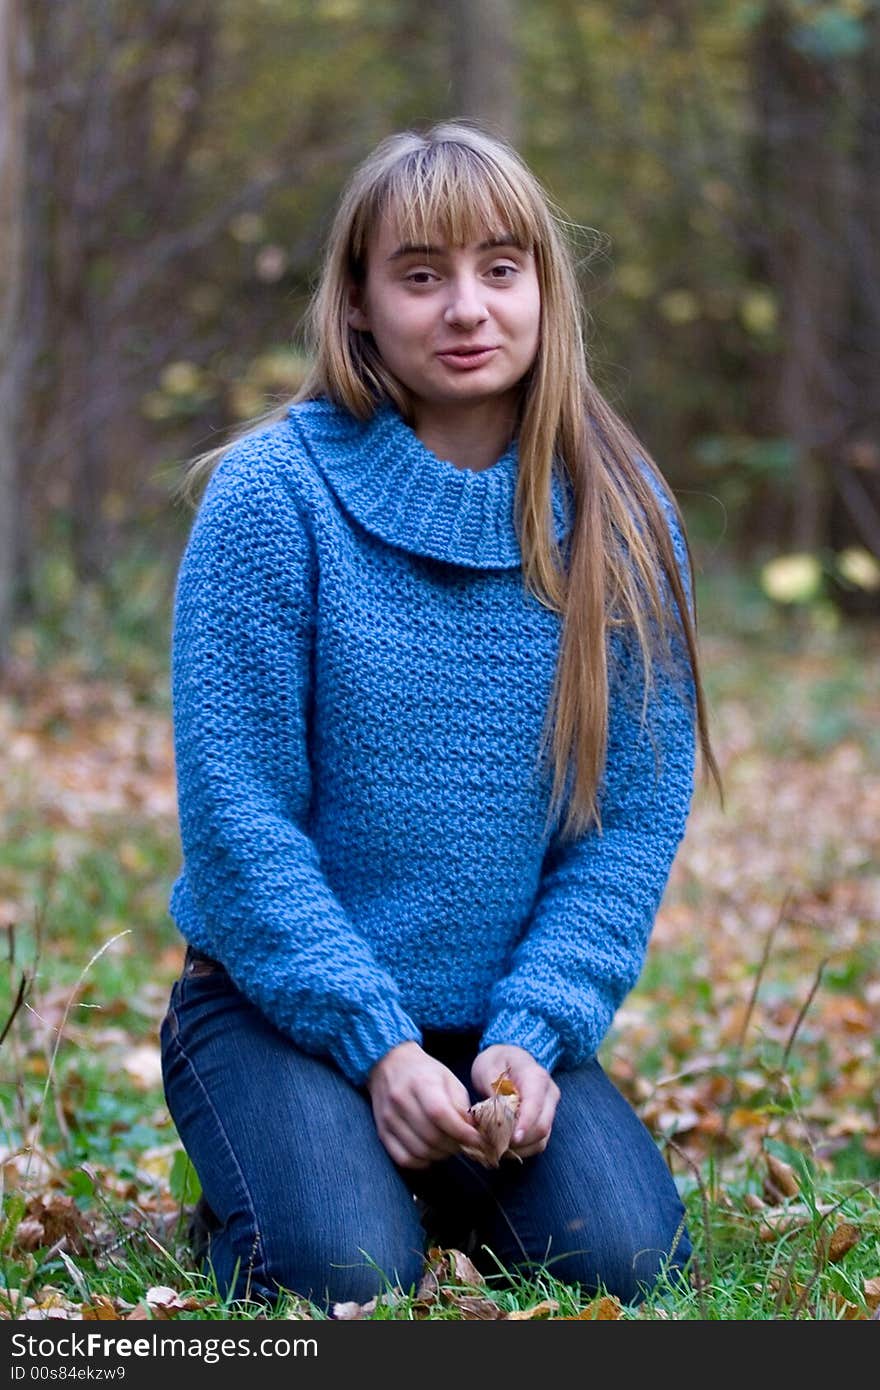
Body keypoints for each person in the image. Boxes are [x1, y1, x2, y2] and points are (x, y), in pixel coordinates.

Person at [159, 118, 720, 1314]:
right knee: (342, 1272)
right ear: (358, 302)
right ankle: (293, 1169)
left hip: (496, 1026)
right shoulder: (274, 498)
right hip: (278, 1011)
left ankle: (424, 1163)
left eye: (499, 269)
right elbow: (240, 819)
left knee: (627, 1262)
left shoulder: (621, 516)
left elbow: (624, 826)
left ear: (542, 290)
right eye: (421, 274)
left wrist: (536, 1030)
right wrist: (377, 1046)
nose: (466, 307)